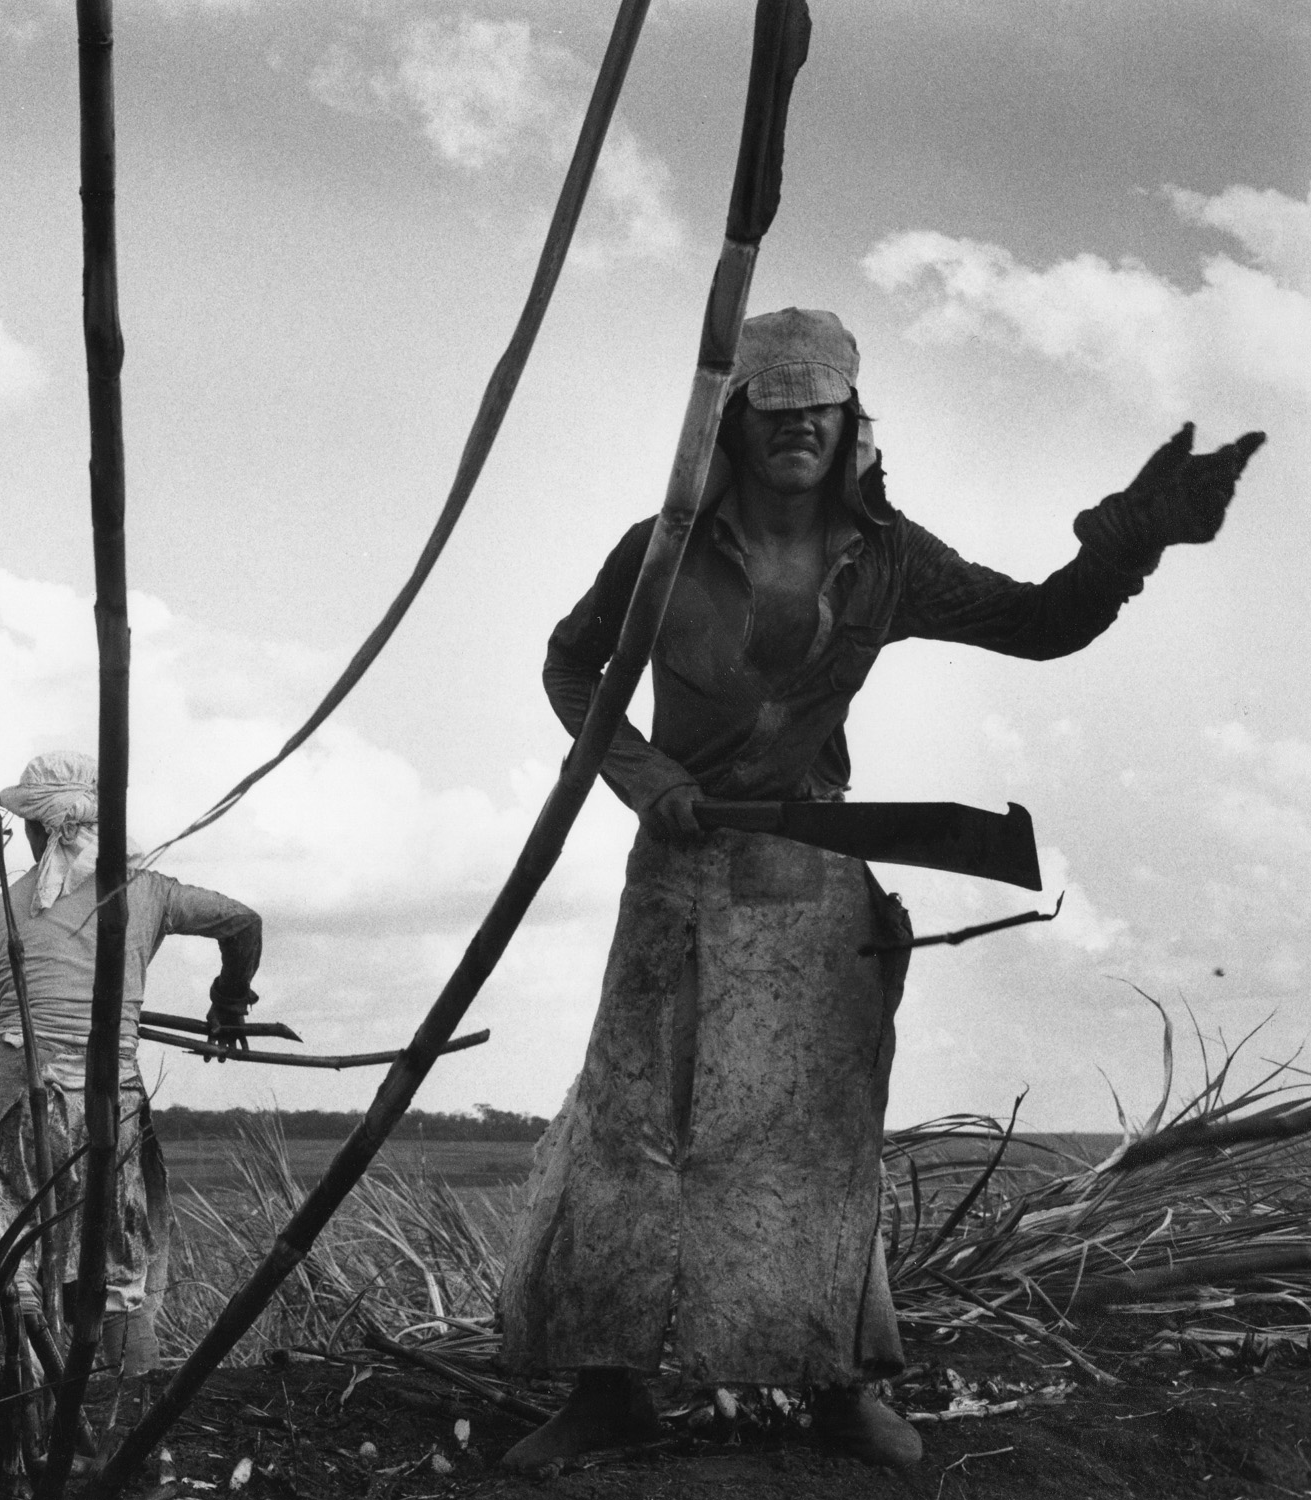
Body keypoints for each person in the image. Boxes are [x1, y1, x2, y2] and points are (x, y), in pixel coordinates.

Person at [497, 308, 1264, 1471]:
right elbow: (570, 660)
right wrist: (642, 774)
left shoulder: (889, 558)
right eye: (774, 405)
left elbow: (1038, 624)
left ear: (850, 420)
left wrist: (1125, 548)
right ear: (735, 418)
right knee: (631, 1131)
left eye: (819, 406)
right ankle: (610, 1390)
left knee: (818, 1134)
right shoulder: (659, 548)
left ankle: (831, 1385)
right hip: (676, 875)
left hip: (811, 879)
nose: (796, 424)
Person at [0, 750, 264, 1377]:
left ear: (33, 828)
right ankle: (131, 1425)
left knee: (15, 1267)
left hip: (15, 1101)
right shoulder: (147, 892)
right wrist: (228, 1001)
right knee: (119, 1273)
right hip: (111, 1104)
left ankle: (26, 1421)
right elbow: (243, 922)